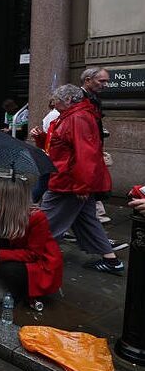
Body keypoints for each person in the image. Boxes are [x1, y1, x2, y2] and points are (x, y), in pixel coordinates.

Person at [34, 84, 123, 274]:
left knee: (45, 220)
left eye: (56, 99)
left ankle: (36, 256)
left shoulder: (77, 118)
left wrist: (82, 186)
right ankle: (112, 261)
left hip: (68, 182)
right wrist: (41, 139)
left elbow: (85, 155)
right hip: (73, 180)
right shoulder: (74, 116)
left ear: (67, 100)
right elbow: (62, 146)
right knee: (86, 220)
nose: (53, 103)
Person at [0, 180, 63, 305]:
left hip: (41, 263)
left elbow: (33, 254)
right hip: (18, 252)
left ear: (9, 199)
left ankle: (20, 294)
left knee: (7, 269)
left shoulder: (36, 217)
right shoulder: (0, 208)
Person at [80, 67, 112, 224]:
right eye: (102, 81)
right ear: (88, 80)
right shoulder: (79, 98)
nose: (105, 84)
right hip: (84, 151)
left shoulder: (95, 98)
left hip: (93, 148)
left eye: (106, 81)